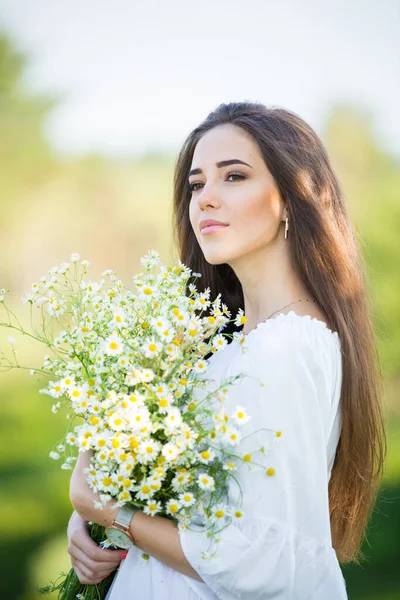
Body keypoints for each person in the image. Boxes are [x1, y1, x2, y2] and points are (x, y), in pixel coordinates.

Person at [68, 102, 387, 599]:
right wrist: (92, 528)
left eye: (233, 176)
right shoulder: (224, 351)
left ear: (296, 195)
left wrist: (109, 512)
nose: (206, 200)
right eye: (196, 185)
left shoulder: (286, 347)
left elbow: (262, 562)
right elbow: (182, 503)